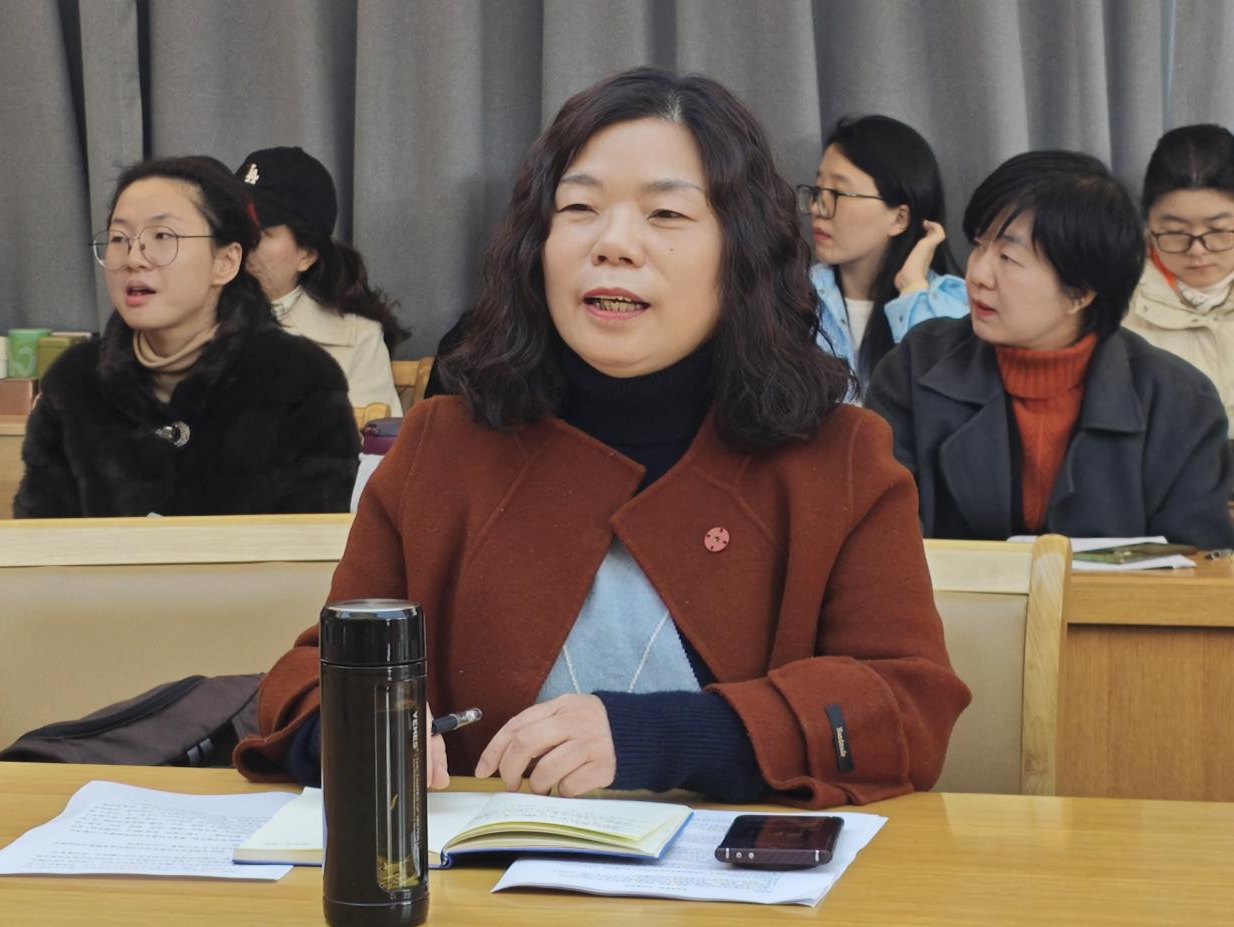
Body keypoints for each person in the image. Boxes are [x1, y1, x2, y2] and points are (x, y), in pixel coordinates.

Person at [235, 68, 970, 807]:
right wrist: (351, 726)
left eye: (666, 214)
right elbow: (313, 675)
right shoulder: (442, 446)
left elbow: (905, 709)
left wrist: (670, 734)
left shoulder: (840, 458)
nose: (613, 243)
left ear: (741, 250)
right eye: (579, 208)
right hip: (479, 878)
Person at [865, 151, 1234, 547]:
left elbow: (1197, 565)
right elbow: (879, 537)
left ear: (1081, 292)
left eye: (1008, 257)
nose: (978, 274)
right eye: (979, 246)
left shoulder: (1179, 401)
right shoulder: (915, 368)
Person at [13, 156, 359, 518]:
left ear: (226, 262)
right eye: (119, 238)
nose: (134, 258)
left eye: (162, 236)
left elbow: (314, 540)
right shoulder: (74, 381)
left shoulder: (300, 379)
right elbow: (37, 536)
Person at [799, 114, 966, 388]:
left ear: (899, 219)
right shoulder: (793, 297)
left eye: (838, 193)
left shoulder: (955, 306)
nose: (817, 208)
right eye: (818, 191)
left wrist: (912, 289)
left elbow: (946, 396)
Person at [236, 146, 407, 411]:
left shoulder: (357, 338)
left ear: (307, 254)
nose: (240, 244)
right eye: (235, 226)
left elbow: (371, 434)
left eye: (260, 234)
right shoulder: (188, 320)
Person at [1122, 124, 1234, 432]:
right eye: (1175, 232)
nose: (1197, 251)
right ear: (1149, 222)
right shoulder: (1114, 298)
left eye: (1219, 230)